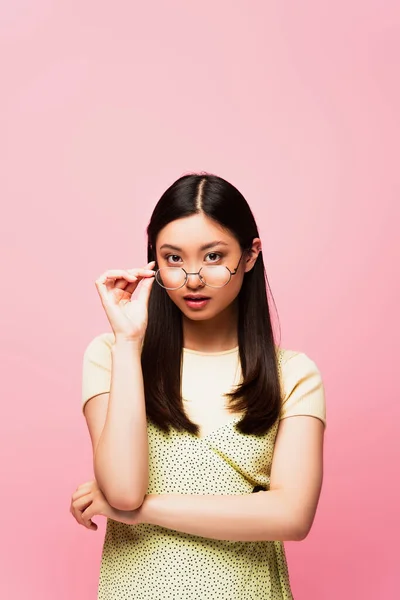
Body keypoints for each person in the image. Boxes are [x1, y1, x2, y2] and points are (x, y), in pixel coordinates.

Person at [70, 172, 326, 600]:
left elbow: (292, 515)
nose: (192, 278)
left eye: (212, 256)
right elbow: (122, 489)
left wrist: (141, 512)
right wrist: (129, 342)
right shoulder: (111, 355)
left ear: (249, 254)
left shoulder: (294, 374)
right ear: (153, 258)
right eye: (173, 258)